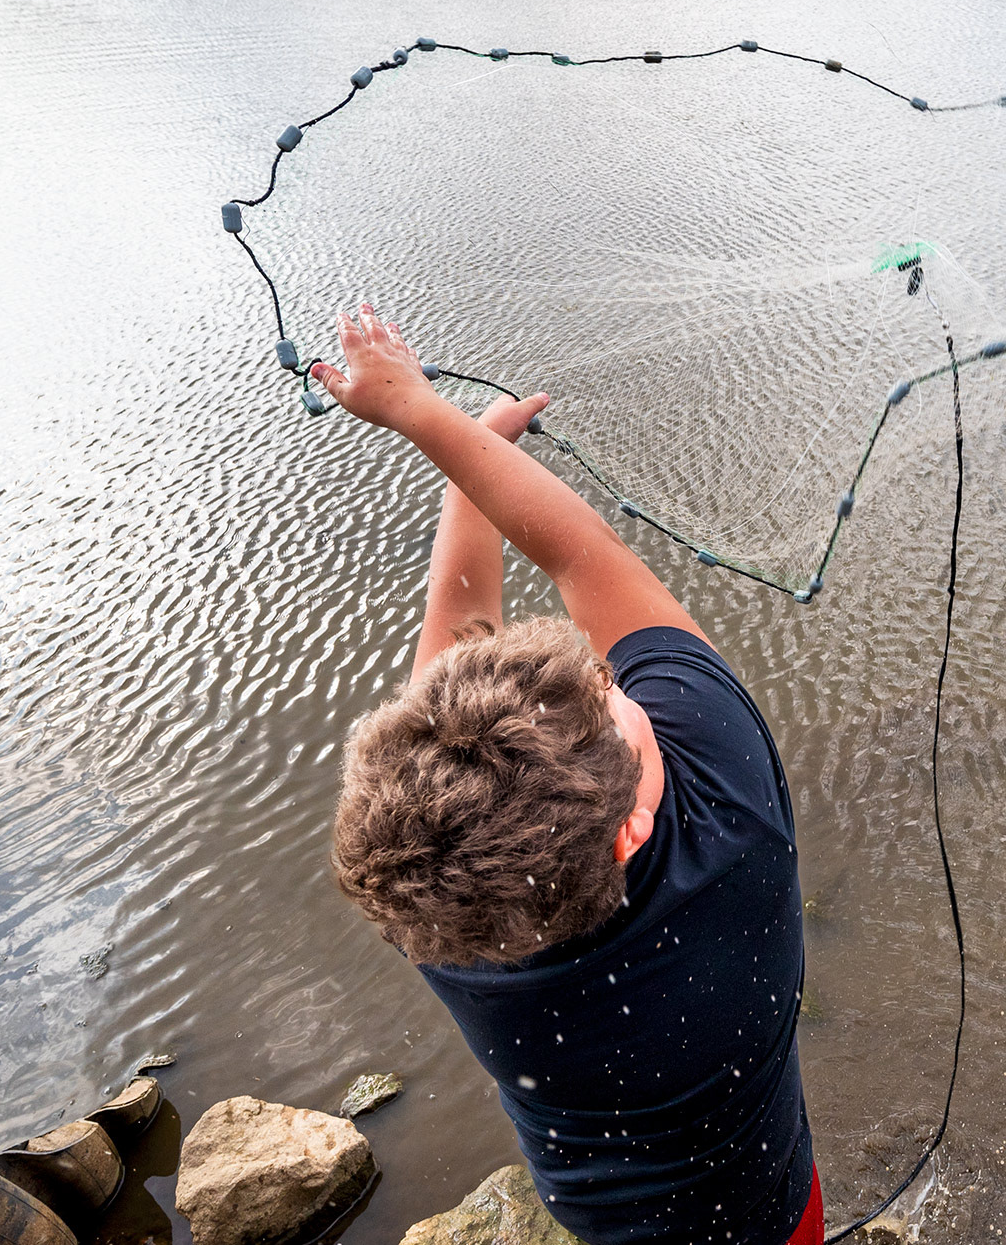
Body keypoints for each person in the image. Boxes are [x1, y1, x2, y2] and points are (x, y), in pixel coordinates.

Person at [314, 305, 822, 1245]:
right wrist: (431, 419)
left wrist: (462, 466)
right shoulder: (730, 813)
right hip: (767, 1216)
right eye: (619, 706)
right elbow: (588, 553)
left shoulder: (437, 917)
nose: (617, 680)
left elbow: (449, 687)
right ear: (630, 828)